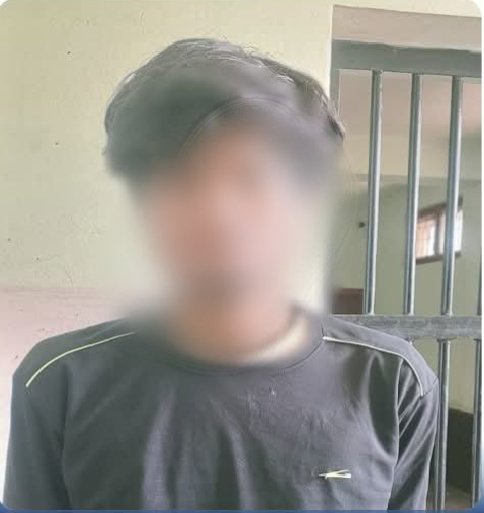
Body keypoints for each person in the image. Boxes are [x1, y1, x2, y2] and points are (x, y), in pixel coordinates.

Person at [4, 38, 438, 510]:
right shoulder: (58, 382)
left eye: (251, 176)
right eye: (181, 177)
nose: (218, 212)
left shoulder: (393, 383)